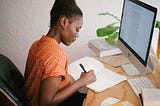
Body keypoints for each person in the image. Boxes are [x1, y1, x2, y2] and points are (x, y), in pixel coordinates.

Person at [23, 0, 96, 106]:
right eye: (77, 29)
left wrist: (74, 80)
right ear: (64, 22)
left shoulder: (36, 44)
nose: (77, 35)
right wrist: (81, 82)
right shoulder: (57, 55)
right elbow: (46, 103)